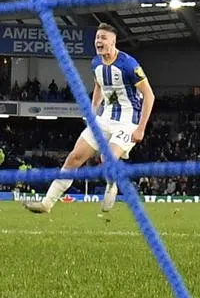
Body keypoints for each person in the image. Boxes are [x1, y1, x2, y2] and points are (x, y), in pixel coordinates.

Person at [25, 23, 154, 215]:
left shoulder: (128, 64)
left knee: (107, 158)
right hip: (104, 118)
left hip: (128, 121)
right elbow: (99, 88)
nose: (98, 41)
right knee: (74, 157)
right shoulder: (96, 64)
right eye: (97, 38)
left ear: (113, 41)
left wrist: (141, 128)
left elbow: (149, 95)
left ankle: (112, 184)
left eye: (103, 38)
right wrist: (92, 113)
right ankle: (47, 203)